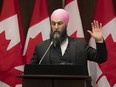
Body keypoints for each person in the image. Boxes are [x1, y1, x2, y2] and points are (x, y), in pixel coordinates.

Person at [30, 9, 107, 87]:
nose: (56, 27)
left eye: (59, 23)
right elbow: (31, 73)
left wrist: (99, 40)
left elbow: (101, 58)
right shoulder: (41, 47)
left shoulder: (80, 45)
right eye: (53, 24)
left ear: (66, 25)